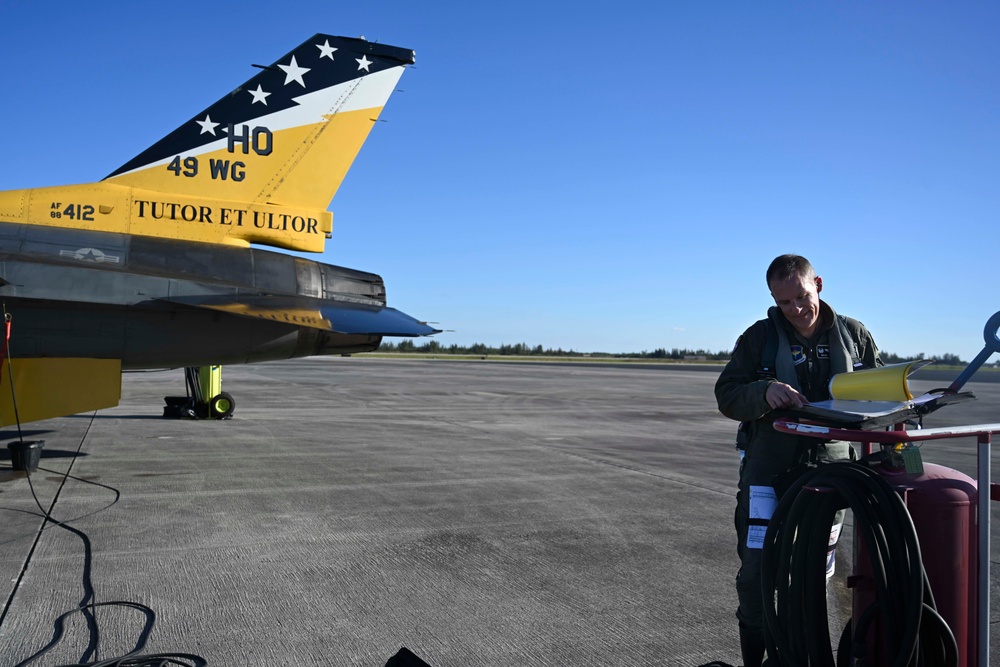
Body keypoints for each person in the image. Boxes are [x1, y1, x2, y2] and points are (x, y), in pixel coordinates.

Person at [714, 254, 881, 667]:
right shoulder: (759, 338)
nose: (796, 310)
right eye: (784, 302)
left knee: (815, 572)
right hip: (768, 469)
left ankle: (807, 655)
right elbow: (727, 394)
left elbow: (884, 399)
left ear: (818, 284)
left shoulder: (854, 336)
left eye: (802, 297)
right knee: (756, 571)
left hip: (831, 471)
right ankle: (758, 659)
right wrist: (763, 391)